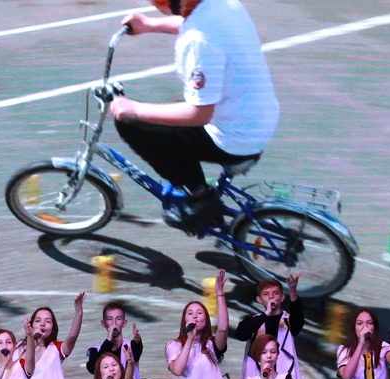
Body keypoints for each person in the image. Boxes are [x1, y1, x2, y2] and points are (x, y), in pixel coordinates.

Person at [111, 0, 279, 229]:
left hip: (233, 139)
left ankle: (200, 198)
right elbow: (195, 23)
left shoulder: (197, 42)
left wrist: (134, 109)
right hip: (256, 118)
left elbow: (199, 115)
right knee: (164, 114)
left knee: (132, 124)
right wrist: (150, 25)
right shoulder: (224, 4)